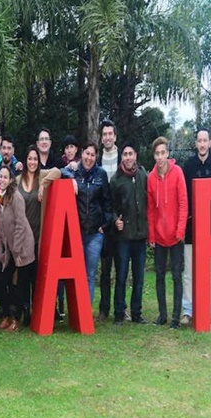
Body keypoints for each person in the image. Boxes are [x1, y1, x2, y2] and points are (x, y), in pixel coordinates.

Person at [181, 129, 211, 325]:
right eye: (199, 140)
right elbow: (183, 197)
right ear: (196, 143)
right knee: (189, 272)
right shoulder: (188, 166)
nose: (201, 144)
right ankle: (187, 311)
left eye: (204, 140)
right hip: (191, 229)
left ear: (210, 143)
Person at [61, 142, 113, 309]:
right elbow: (60, 171)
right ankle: (75, 310)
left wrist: (104, 225)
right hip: (77, 231)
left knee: (89, 274)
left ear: (95, 157)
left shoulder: (101, 174)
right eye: (87, 154)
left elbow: (107, 202)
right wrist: (70, 177)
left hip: (95, 234)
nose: (89, 158)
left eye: (92, 155)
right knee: (76, 272)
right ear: (81, 154)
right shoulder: (73, 171)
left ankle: (85, 310)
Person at [147, 136, 187, 329]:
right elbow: (151, 209)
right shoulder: (150, 177)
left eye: (163, 152)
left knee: (177, 276)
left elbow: (183, 203)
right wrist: (152, 234)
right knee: (160, 275)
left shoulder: (178, 172)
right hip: (159, 237)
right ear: (154, 156)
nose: (160, 156)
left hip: (176, 236)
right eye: (157, 153)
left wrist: (180, 230)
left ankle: (176, 317)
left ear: (168, 154)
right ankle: (162, 315)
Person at [18, 145, 60, 317]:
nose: (33, 162)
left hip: (37, 236)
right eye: (30, 158)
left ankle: (38, 311)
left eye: (35, 159)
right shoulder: (17, 179)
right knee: (22, 276)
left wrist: (43, 184)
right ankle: (25, 310)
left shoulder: (42, 175)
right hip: (21, 237)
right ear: (25, 160)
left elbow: (58, 171)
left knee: (37, 275)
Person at [0, 166, 36, 331]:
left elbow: (20, 225)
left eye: (5, 177)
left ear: (11, 180)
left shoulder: (16, 197)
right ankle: (6, 316)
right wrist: (0, 252)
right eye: (0, 177)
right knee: (2, 281)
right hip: (9, 250)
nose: (2, 179)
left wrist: (17, 251)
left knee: (19, 285)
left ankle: (17, 320)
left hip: (22, 247)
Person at [110, 143, 148, 325]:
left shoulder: (143, 175)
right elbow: (110, 206)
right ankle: (119, 313)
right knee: (121, 276)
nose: (127, 157)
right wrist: (115, 219)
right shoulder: (116, 179)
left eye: (130, 154)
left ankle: (136, 313)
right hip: (123, 237)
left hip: (140, 236)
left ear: (135, 155)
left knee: (139, 278)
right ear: (121, 157)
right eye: (124, 154)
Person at [96, 119, 122, 322]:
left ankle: (121, 309)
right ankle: (104, 309)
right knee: (105, 270)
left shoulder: (125, 157)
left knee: (122, 268)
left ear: (115, 136)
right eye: (104, 134)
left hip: (122, 221)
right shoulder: (96, 159)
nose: (107, 137)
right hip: (105, 222)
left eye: (110, 134)